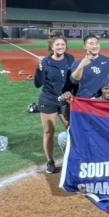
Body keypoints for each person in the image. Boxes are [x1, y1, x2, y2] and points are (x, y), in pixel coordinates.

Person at [33, 34, 75, 173]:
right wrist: (38, 70)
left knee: (72, 130)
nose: (60, 47)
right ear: (51, 47)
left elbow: (74, 79)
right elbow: (38, 84)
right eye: (57, 44)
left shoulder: (70, 59)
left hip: (65, 100)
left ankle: (73, 158)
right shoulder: (45, 62)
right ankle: (50, 161)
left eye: (62, 44)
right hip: (49, 100)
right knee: (49, 132)